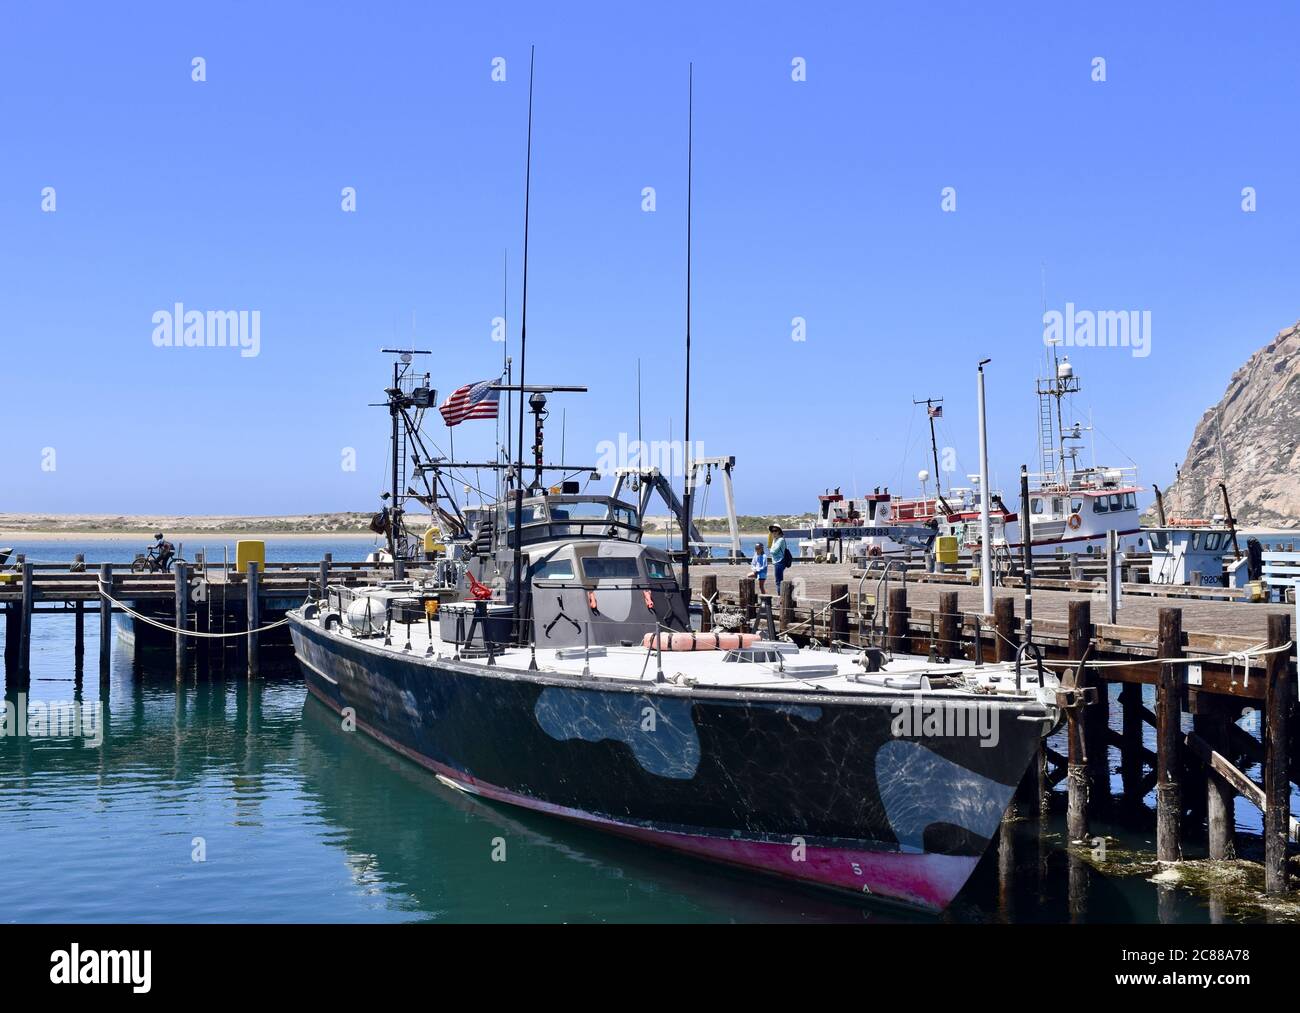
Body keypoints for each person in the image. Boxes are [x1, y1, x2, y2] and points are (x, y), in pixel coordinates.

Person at [768, 524, 791, 593]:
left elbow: (773, 551)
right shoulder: (775, 539)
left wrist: (770, 548)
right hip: (776, 562)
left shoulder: (780, 540)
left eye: (775, 530)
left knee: (779, 581)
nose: (773, 532)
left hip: (779, 561)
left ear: (779, 531)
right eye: (772, 531)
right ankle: (781, 598)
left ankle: (781, 599)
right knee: (778, 581)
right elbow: (772, 550)